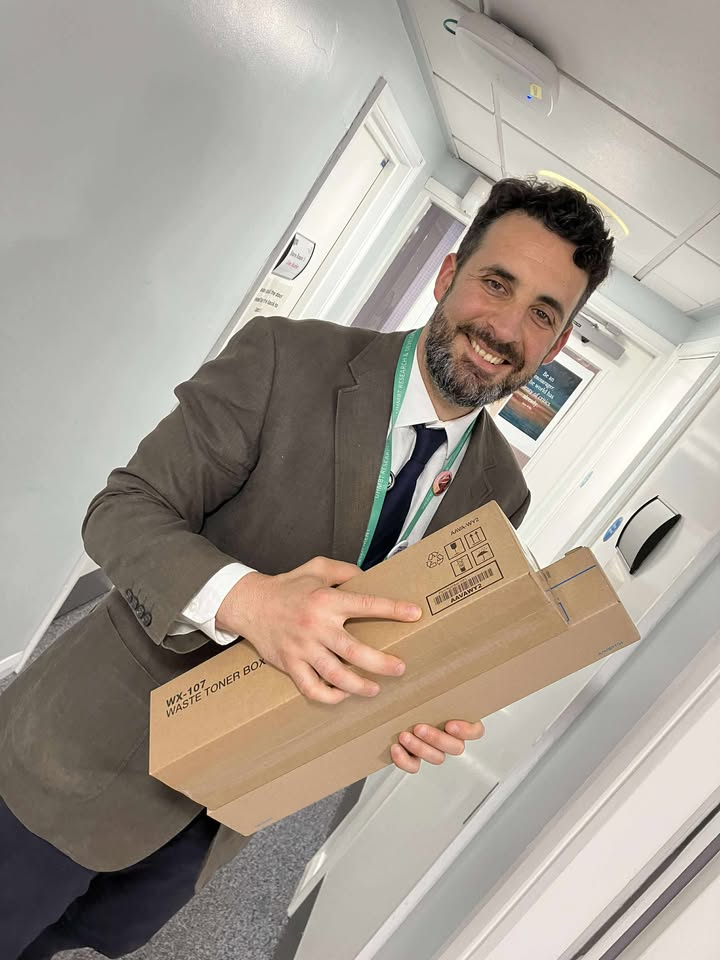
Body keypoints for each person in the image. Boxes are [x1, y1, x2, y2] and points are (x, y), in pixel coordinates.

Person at [0, 177, 613, 958]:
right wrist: (250, 601)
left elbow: (403, 643)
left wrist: (411, 715)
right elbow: (122, 511)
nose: (505, 327)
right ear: (448, 274)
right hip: (81, 758)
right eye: (497, 283)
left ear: (557, 346)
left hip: (215, 818)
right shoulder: (285, 357)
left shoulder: (502, 493)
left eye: (542, 313)